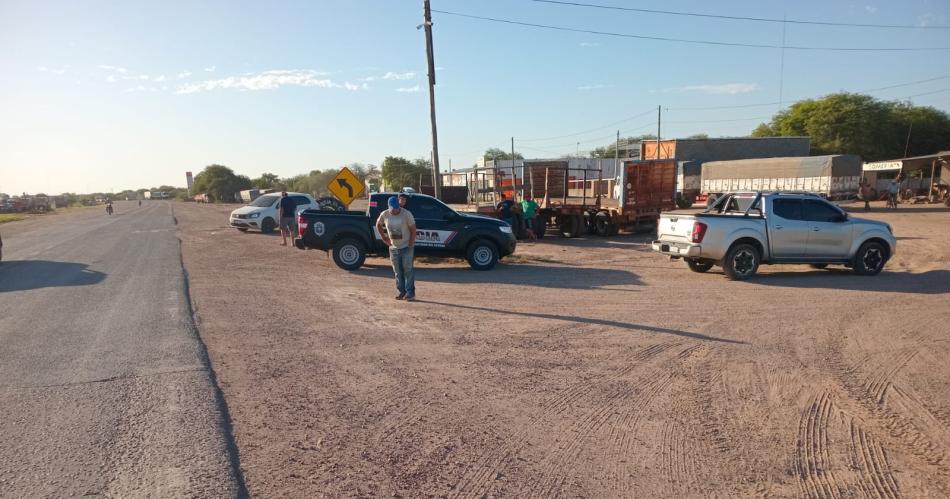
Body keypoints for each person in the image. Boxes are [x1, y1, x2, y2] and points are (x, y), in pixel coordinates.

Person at [376, 196, 417, 301]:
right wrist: (384, 238)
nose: (396, 210)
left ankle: (410, 293)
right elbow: (378, 225)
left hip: (406, 246)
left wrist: (411, 243)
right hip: (393, 248)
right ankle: (401, 292)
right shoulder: (384, 214)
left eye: (397, 207)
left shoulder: (406, 214)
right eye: (393, 208)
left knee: (408, 270)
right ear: (389, 206)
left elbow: (413, 229)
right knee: (397, 271)